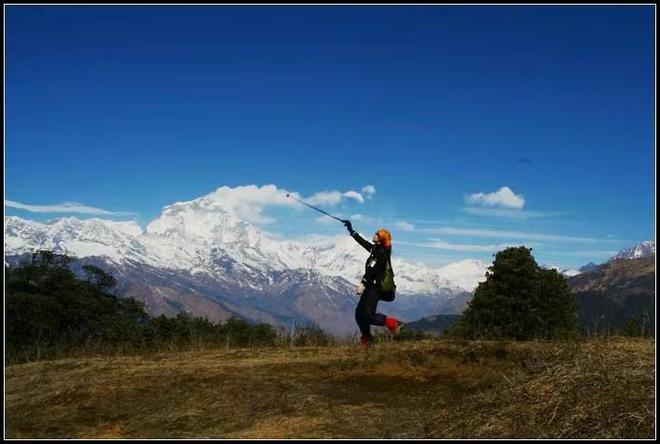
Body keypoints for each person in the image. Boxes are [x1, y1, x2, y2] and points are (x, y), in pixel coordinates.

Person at [343, 220, 403, 349]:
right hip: (371, 287)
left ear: (381, 239)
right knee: (359, 314)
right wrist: (351, 231)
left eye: (377, 234)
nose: (374, 235)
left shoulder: (381, 253)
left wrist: (363, 284)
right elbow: (364, 243)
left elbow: (372, 270)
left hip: (376, 288)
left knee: (367, 315)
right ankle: (367, 338)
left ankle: (393, 323)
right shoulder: (376, 249)